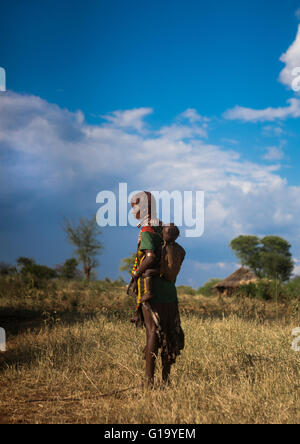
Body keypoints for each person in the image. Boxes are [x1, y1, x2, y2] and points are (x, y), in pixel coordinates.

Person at [129, 191, 184, 387]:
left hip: (152, 291)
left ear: (144, 206)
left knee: (152, 332)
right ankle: (166, 380)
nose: (132, 209)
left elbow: (151, 257)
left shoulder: (147, 228)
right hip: (169, 289)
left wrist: (135, 276)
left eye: (134, 205)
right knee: (169, 332)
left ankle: (148, 381)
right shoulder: (162, 226)